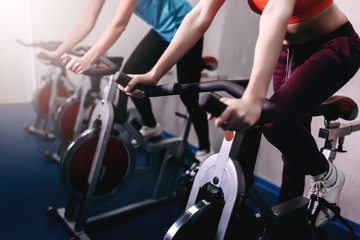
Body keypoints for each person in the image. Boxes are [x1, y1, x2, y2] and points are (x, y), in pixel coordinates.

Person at [121, 0, 360, 229]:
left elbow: (277, 10)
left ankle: (327, 175)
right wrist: (155, 74)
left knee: (275, 122)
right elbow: (200, 14)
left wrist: (254, 98)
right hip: (289, 53)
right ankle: (288, 228)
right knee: (291, 141)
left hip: (334, 45)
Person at [37, 0, 214, 163]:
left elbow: (119, 24)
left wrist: (87, 59)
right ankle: (152, 126)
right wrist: (57, 53)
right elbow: (86, 22)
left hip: (186, 27)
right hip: (161, 31)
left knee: (188, 96)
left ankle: (205, 150)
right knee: (130, 78)